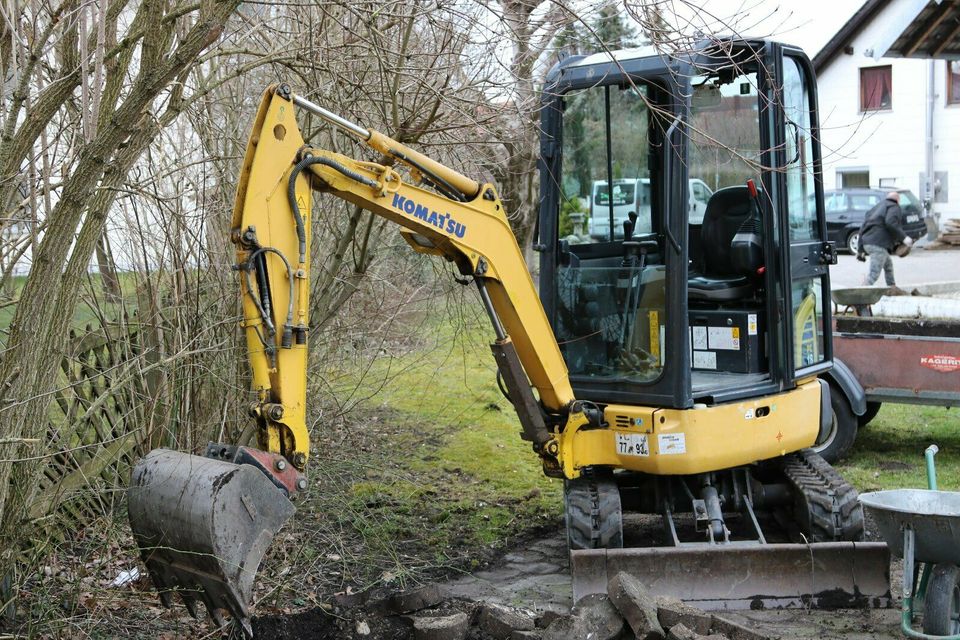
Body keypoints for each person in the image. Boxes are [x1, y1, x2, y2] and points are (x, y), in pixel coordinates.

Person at [856, 191, 913, 286]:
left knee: (888, 266)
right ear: (898, 200)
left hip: (868, 242)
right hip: (878, 244)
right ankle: (860, 295)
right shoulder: (894, 207)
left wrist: (860, 249)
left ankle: (892, 288)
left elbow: (863, 227)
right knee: (873, 274)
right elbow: (891, 223)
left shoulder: (877, 207)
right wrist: (904, 238)